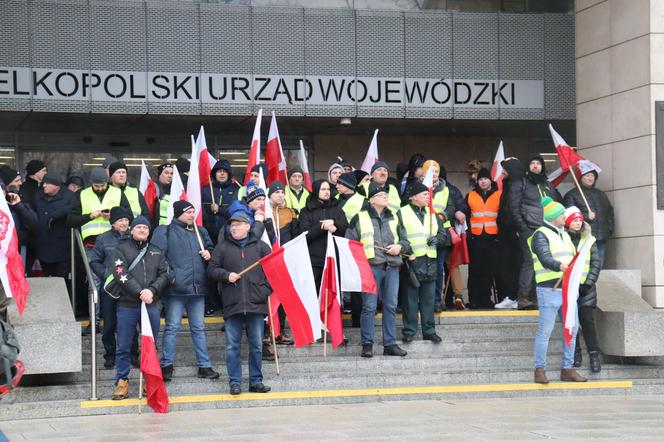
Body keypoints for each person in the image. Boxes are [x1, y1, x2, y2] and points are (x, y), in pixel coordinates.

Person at [151, 200, 219, 381]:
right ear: (179, 213)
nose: (192, 215)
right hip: (176, 289)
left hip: (197, 288)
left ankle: (204, 366)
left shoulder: (200, 231)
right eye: (189, 212)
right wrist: (171, 277)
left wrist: (209, 254)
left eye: (193, 212)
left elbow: (212, 251)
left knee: (198, 328)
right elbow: (157, 258)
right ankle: (166, 365)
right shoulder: (165, 231)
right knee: (172, 327)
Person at [207, 214, 272, 395]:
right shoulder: (222, 248)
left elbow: (274, 272)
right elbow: (211, 270)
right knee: (232, 346)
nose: (234, 228)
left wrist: (264, 291)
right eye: (232, 226)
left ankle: (256, 382)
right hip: (232, 303)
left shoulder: (261, 247)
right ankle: (235, 382)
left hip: (256, 304)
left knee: (257, 346)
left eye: (238, 225)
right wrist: (225, 275)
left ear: (248, 227)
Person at [110, 216, 171, 400]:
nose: (142, 230)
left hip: (151, 304)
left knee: (150, 345)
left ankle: (148, 380)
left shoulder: (157, 251)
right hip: (127, 305)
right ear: (132, 230)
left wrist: (151, 291)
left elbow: (166, 274)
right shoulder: (120, 249)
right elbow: (120, 274)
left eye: (145, 227)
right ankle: (122, 381)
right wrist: (140, 292)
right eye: (139, 227)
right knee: (124, 345)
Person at [346, 182, 408, 358]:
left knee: (390, 306)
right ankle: (367, 343)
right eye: (382, 195)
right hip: (371, 267)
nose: (386, 197)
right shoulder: (360, 217)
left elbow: (405, 241)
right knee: (369, 306)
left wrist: (399, 247)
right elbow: (350, 242)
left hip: (392, 266)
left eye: (386, 195)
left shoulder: (395, 217)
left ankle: (389, 344)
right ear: (372, 199)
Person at [530, 197, 586, 384]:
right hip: (549, 288)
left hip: (567, 289)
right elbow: (544, 257)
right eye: (562, 214)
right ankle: (540, 369)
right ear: (553, 216)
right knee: (545, 331)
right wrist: (559, 266)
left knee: (572, 327)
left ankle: (567, 368)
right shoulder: (540, 234)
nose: (565, 217)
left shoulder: (564, 234)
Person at [510, 153, 562, 310]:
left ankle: (535, 297)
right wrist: (522, 227)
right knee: (529, 263)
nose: (535, 165)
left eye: (538, 163)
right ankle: (523, 298)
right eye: (532, 163)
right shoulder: (521, 183)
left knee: (542, 264)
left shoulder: (547, 185)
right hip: (529, 229)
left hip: (547, 230)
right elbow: (514, 207)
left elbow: (556, 205)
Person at [398, 181, 447, 343]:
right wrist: (407, 252)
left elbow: (443, 233)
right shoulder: (402, 213)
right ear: (413, 197)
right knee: (410, 300)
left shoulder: (432, 214)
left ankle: (429, 330)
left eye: (429, 194)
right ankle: (409, 331)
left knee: (428, 299)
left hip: (430, 262)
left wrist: (437, 239)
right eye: (425, 194)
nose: (428, 197)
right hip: (412, 262)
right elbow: (398, 236)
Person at [88, 207, 136, 369]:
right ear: (113, 223)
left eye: (126, 220)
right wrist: (107, 275)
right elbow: (94, 261)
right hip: (110, 289)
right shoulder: (103, 239)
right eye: (120, 220)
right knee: (109, 324)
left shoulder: (134, 237)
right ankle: (110, 355)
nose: (124, 223)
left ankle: (133, 354)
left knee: (131, 323)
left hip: (130, 288)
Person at [564, 207, 602, 373]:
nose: (578, 223)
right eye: (574, 220)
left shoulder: (589, 239)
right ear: (567, 222)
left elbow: (596, 263)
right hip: (569, 288)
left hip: (586, 288)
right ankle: (575, 353)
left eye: (579, 220)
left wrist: (588, 283)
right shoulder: (562, 238)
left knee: (587, 322)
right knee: (571, 324)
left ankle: (594, 355)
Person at [299, 179, 348, 291]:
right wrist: (323, 227)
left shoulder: (337, 209)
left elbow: (346, 231)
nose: (327, 192)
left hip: (333, 259)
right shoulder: (306, 211)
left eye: (328, 189)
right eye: (323, 189)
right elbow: (304, 235)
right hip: (314, 261)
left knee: (333, 294)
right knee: (314, 293)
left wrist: (335, 226)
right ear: (316, 191)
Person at [465, 168, 501, 309]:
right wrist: (469, 234)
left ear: (490, 180)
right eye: (480, 179)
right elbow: (466, 215)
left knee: (489, 270)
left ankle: (486, 299)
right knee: (474, 270)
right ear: (477, 181)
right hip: (476, 238)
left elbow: (502, 215)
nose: (483, 181)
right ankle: (474, 299)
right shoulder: (470, 195)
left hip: (493, 238)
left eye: (485, 178)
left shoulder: (499, 195)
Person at [563, 168, 614, 267]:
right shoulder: (572, 195)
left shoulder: (601, 194)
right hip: (583, 236)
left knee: (598, 266)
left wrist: (610, 229)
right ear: (581, 178)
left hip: (601, 236)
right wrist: (586, 217)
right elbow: (568, 215)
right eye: (587, 176)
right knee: (584, 266)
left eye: (592, 176)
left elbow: (609, 212)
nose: (590, 178)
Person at [422, 160, 455, 312]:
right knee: (422, 269)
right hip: (422, 234)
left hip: (440, 234)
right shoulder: (418, 188)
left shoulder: (445, 189)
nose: (434, 174)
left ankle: (436, 301)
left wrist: (443, 215)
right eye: (431, 171)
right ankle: (423, 301)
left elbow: (451, 208)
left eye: (436, 171)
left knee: (439, 269)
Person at [33, 172, 75, 281]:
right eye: (43, 183)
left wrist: (56, 215)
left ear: (57, 185)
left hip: (62, 248)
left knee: (61, 281)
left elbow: (75, 210)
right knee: (46, 281)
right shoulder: (37, 196)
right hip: (42, 246)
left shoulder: (70, 197)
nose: (43, 185)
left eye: (47, 183)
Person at [494, 158, 524, 309]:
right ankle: (511, 296)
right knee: (507, 267)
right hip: (505, 234)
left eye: (505, 169)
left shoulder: (519, 185)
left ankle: (518, 297)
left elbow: (517, 210)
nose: (502, 172)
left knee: (517, 266)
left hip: (516, 232)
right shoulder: (507, 185)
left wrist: (519, 228)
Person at [439, 165, 468, 311]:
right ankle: (458, 295)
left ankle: (439, 298)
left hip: (440, 233)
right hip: (449, 232)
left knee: (440, 267)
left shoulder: (433, 189)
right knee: (452, 265)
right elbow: (463, 207)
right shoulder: (453, 189)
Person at [0, 166, 38, 257]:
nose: (21, 183)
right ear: (6, 184)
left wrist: (19, 205)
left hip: (19, 247)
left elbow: (34, 222)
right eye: (17, 181)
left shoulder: (20, 198)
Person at [202, 160, 241, 244]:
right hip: (208, 234)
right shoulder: (206, 189)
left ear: (229, 174)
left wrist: (219, 209)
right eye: (219, 171)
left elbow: (236, 210)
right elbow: (201, 210)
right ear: (215, 174)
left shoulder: (236, 189)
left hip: (229, 233)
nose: (222, 174)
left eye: (224, 171)